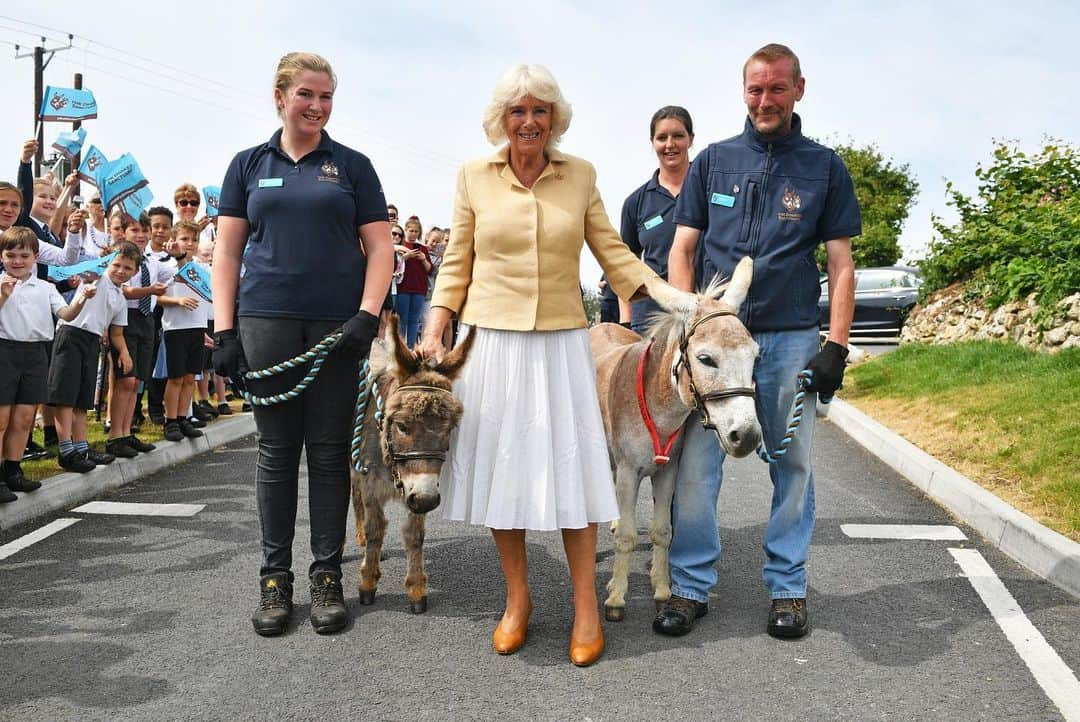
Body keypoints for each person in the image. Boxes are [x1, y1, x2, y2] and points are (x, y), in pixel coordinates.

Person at [418, 64, 657, 667]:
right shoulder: (474, 175)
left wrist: (677, 297)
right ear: (502, 119)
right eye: (519, 111)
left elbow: (613, 252)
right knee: (507, 476)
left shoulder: (580, 176)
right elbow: (457, 261)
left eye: (540, 110)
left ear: (555, 119)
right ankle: (518, 600)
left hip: (559, 343)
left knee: (572, 475)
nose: (530, 121)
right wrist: (434, 327)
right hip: (490, 342)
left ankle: (584, 607)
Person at [655, 43, 860, 640]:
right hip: (717, 342)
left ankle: (788, 587)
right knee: (697, 465)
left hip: (791, 336)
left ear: (799, 89)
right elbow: (682, 251)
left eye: (776, 89)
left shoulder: (825, 167)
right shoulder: (713, 161)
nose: (764, 101)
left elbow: (841, 265)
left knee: (790, 465)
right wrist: (688, 330)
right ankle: (691, 586)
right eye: (754, 89)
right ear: (742, 91)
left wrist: (836, 347)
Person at [212, 51, 393, 637]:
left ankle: (325, 576)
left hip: (337, 328)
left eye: (326, 97)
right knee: (275, 451)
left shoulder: (353, 166)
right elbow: (227, 252)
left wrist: (367, 316)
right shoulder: (247, 165)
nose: (316, 107)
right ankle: (274, 578)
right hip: (265, 320)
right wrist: (223, 330)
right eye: (306, 95)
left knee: (328, 450)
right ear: (280, 96)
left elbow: (382, 248)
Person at [0, 227, 88, 501]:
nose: (17, 261)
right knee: (1, 419)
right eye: (10, 255)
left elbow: (66, 313)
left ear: (36, 257)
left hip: (36, 353)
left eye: (24, 255)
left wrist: (83, 297)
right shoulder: (0, 283)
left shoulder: (46, 286)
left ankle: (13, 470)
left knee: (24, 416)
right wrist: (3, 295)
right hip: (5, 351)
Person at [47, 242, 140, 473]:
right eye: (116, 265)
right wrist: (99, 265)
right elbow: (87, 271)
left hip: (92, 341)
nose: (120, 271)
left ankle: (82, 447)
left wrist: (125, 353)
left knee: (81, 400)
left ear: (135, 272)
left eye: (127, 268)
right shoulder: (97, 277)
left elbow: (117, 332)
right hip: (71, 335)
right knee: (66, 397)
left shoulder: (120, 298)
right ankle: (66, 450)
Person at [620, 106, 694, 334]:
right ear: (652, 142)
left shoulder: (707, 189)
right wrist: (626, 323)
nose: (670, 144)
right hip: (650, 318)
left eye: (678, 136)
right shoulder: (636, 202)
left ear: (690, 139)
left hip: (700, 311)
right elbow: (625, 264)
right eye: (662, 137)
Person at [105, 213, 174, 458]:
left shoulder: (152, 261)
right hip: (125, 320)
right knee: (125, 379)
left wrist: (179, 254)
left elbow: (174, 270)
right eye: (135, 230)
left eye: (145, 231)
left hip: (147, 320)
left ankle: (126, 432)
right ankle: (115, 435)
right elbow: (126, 291)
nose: (142, 235)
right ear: (124, 233)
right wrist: (149, 290)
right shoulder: (119, 258)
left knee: (136, 382)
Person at [393, 217, 432, 346]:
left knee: (414, 319)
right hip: (403, 287)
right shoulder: (400, 245)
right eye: (411, 230)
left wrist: (423, 259)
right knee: (403, 318)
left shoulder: (423, 249)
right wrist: (406, 257)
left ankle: (410, 347)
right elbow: (394, 264)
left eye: (416, 231)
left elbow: (430, 269)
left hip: (419, 288)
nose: (413, 233)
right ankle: (401, 346)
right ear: (406, 230)